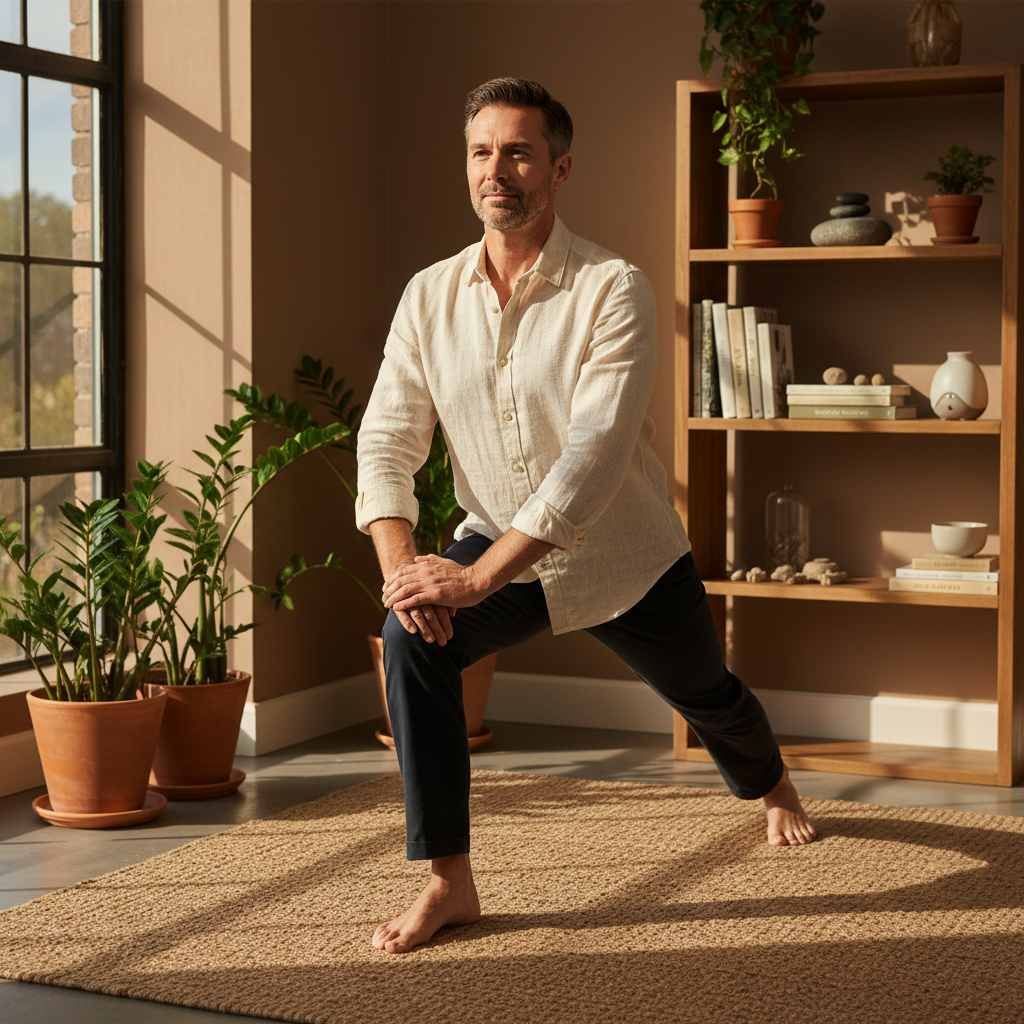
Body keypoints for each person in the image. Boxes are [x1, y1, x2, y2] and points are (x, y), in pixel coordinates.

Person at [356, 77, 816, 956]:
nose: (499, 170)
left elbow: (594, 460)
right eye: (482, 151)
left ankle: (773, 785)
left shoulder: (614, 288)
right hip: (496, 537)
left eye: (520, 151)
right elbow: (385, 440)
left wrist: (477, 577)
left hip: (625, 550)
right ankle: (449, 882)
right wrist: (407, 568)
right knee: (411, 636)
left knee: (707, 695)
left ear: (560, 168)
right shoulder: (427, 297)